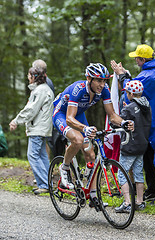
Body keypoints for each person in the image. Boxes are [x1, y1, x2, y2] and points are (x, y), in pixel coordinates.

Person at [52, 63, 134, 209]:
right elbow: (70, 119)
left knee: (91, 155)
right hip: (62, 114)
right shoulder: (78, 89)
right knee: (77, 139)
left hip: (78, 115)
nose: (102, 84)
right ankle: (64, 168)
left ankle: (94, 196)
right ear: (89, 78)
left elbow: (112, 115)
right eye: (98, 80)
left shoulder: (105, 90)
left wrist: (123, 123)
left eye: (104, 81)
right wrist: (85, 128)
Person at [111, 44, 155, 204]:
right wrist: (124, 74)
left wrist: (121, 75)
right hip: (154, 119)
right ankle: (152, 190)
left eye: (137, 59)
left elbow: (131, 87)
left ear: (144, 59)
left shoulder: (150, 75)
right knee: (148, 155)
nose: (136, 61)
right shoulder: (154, 72)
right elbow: (135, 84)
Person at [9, 67, 54, 195]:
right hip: (42, 128)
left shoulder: (40, 91)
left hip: (38, 129)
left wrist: (16, 121)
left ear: (34, 76)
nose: (27, 77)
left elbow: (31, 110)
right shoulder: (44, 89)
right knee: (42, 155)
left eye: (29, 75)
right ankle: (48, 183)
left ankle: (44, 184)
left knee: (33, 155)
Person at [114, 80, 152, 213]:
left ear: (130, 93)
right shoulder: (147, 106)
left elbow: (118, 122)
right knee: (138, 173)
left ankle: (127, 203)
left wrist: (124, 110)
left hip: (129, 145)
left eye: (127, 93)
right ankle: (140, 201)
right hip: (142, 144)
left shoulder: (129, 108)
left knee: (122, 173)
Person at [32, 59, 55, 159]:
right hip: (47, 118)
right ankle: (46, 166)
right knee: (44, 142)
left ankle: (45, 166)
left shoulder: (44, 83)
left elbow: (37, 105)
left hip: (43, 119)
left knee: (43, 144)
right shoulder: (47, 81)